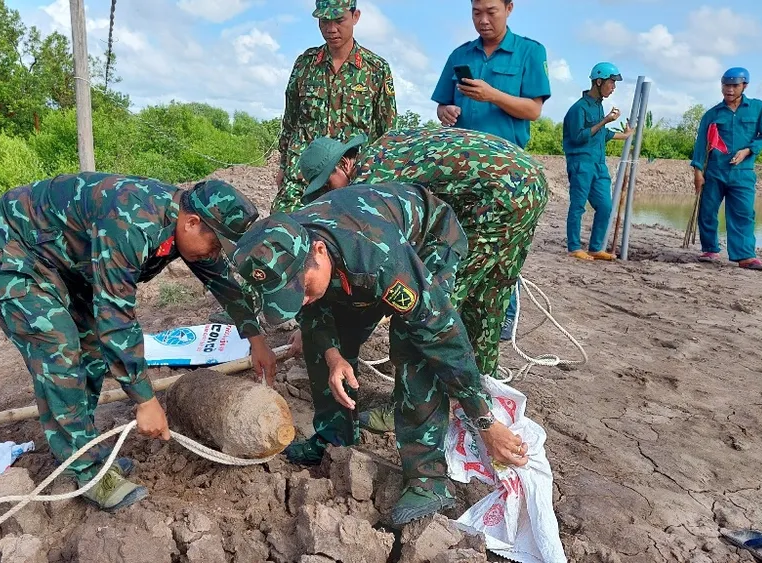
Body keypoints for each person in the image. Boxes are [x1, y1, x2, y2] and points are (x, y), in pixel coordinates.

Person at [0, 173, 279, 512]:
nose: (215, 253)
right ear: (192, 223)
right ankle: (86, 470)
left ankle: (86, 450)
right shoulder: (133, 223)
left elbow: (221, 280)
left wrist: (256, 339)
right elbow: (115, 319)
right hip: (4, 249)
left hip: (62, 260)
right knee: (58, 346)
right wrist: (145, 400)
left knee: (93, 352)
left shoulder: (186, 222)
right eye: (216, 244)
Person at [231, 184, 530, 526]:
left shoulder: (378, 257)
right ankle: (334, 437)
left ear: (318, 251)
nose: (299, 300)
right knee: (320, 337)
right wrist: (333, 356)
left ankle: (428, 480)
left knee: (414, 345)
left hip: (428, 241)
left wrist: (485, 422)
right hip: (354, 260)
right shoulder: (288, 241)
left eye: (300, 289)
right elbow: (313, 311)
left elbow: (441, 337)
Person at [294, 126, 548, 433]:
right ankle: (485, 384)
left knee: (431, 308)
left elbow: (387, 275)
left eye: (327, 184)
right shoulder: (385, 146)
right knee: (489, 295)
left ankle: (417, 405)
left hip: (493, 200)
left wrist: (326, 331)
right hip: (528, 183)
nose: (329, 195)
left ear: (343, 165)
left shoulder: (368, 185)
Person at [430, 0, 551, 340]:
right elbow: (442, 102)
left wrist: (493, 95)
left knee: (501, 250)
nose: (482, 20)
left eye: (491, 12)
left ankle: (500, 325)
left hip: (508, 174)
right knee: (457, 240)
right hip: (460, 169)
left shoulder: (529, 51)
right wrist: (446, 111)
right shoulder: (460, 55)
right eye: (476, 12)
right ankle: (455, 316)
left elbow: (532, 110)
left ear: (509, 8)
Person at [272, 0, 397, 215]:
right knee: (282, 232)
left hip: (348, 180)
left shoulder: (376, 69)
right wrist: (283, 166)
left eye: (339, 20)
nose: (331, 29)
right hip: (302, 176)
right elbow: (290, 119)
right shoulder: (305, 64)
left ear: (355, 16)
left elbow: (387, 131)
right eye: (324, 21)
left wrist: (376, 179)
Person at [692, 67, 762, 271]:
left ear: (744, 86)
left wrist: (748, 150)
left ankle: (745, 256)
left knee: (743, 213)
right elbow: (701, 144)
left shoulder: (758, 108)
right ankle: (710, 249)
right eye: (726, 85)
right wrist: (698, 172)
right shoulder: (712, 114)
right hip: (714, 172)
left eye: (734, 85)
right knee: (707, 211)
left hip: (743, 173)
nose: (729, 90)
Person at [562, 62, 635, 261]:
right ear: (599, 81)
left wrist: (626, 135)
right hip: (581, 163)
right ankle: (574, 247)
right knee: (578, 206)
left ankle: (595, 248)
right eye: (611, 83)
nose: (613, 87)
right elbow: (579, 136)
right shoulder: (578, 109)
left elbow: (602, 134)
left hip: (599, 164)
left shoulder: (598, 107)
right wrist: (604, 121)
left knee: (605, 206)